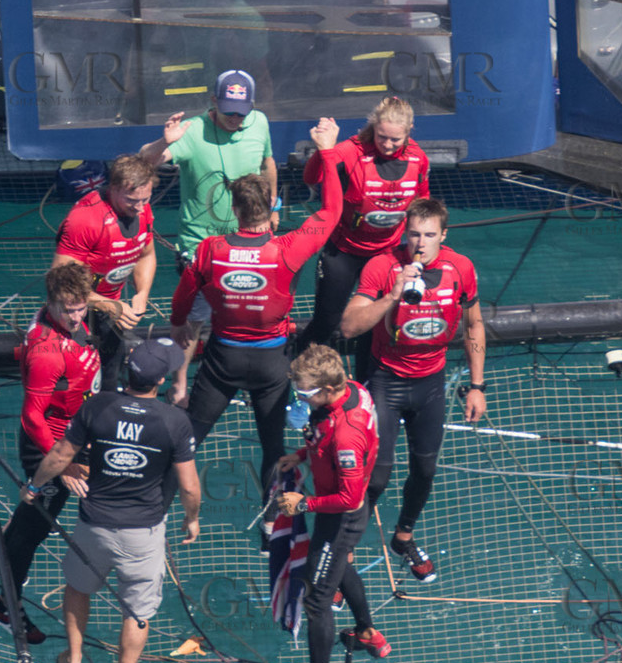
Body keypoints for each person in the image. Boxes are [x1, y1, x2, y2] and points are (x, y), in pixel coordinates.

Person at [20, 338, 200, 663]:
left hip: (94, 524)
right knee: (137, 613)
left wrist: (34, 486)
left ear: (130, 370)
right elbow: (188, 486)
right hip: (142, 533)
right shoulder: (175, 421)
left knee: (77, 588)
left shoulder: (98, 405)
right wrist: (192, 517)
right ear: (161, 380)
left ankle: (72, 662)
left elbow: (60, 455)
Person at [169, 169, 341, 492]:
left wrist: (178, 323)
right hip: (272, 364)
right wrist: (328, 155)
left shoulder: (209, 249)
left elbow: (184, 298)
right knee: (274, 450)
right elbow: (332, 211)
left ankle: (153, 517)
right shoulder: (288, 248)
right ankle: (270, 536)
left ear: (234, 210)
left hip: (222, 361)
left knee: (186, 441)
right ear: (273, 207)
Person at [340, 197, 484, 581]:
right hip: (385, 379)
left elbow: (474, 326)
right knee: (377, 476)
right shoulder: (382, 265)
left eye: (430, 235)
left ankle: (403, 536)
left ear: (444, 235)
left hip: (430, 382)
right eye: (415, 234)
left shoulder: (461, 268)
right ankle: (344, 553)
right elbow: (350, 327)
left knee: (425, 468)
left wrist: (476, 385)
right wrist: (392, 295)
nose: (421, 243)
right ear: (405, 233)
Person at [0, 262, 101, 644]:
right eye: (68, 309)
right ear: (50, 303)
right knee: (34, 531)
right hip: (51, 446)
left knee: (31, 514)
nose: (76, 316)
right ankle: (5, 607)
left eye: (82, 307)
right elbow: (31, 416)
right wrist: (59, 466)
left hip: (74, 437)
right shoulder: (47, 353)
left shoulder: (78, 321)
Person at [139, 69, 278, 405]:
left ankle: (231, 379)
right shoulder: (193, 131)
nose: (235, 118)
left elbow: (268, 162)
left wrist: (274, 207)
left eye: (240, 111)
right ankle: (180, 388)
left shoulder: (258, 122)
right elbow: (143, 160)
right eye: (228, 110)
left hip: (248, 242)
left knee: (239, 313)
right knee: (193, 321)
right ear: (213, 101)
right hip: (200, 249)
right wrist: (165, 142)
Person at [274, 344, 387, 663]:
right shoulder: (354, 389)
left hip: (340, 517)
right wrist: (303, 454)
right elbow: (322, 435)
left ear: (325, 390)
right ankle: (368, 632)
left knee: (317, 600)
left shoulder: (346, 435)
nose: (300, 398)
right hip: (345, 509)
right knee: (340, 567)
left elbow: (349, 498)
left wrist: (302, 503)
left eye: (304, 393)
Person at [299, 96, 431, 373]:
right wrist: (322, 148)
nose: (388, 145)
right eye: (382, 137)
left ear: (409, 132)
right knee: (326, 322)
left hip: (385, 255)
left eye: (396, 140)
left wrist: (422, 250)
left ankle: (365, 390)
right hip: (344, 252)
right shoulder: (352, 150)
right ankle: (298, 383)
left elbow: (423, 207)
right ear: (373, 128)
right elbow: (311, 178)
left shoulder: (418, 158)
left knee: (373, 326)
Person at [51, 152, 158, 392]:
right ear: (114, 188)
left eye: (145, 198)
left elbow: (147, 254)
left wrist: (142, 294)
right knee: (75, 389)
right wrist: (109, 306)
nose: (140, 207)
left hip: (110, 312)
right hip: (73, 314)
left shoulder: (143, 210)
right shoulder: (85, 219)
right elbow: (61, 281)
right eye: (132, 200)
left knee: (109, 379)